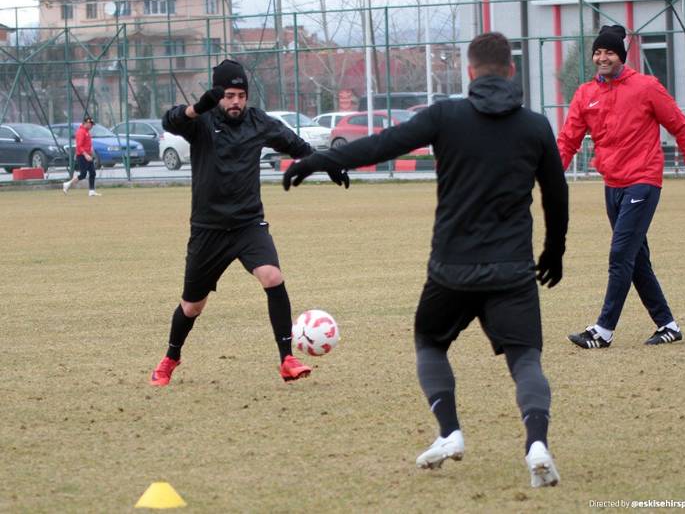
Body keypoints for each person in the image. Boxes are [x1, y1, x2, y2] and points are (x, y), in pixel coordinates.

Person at [283, 32, 569, 488]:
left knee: (430, 344)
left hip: (451, 269)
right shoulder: (534, 126)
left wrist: (319, 159)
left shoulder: (446, 116)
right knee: (525, 359)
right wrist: (555, 249)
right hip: (512, 269)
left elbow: (383, 144)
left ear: (470, 72)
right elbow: (556, 193)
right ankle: (537, 443)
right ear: (511, 72)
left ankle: (450, 432)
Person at [149, 59, 349, 386]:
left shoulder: (258, 122)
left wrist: (328, 163)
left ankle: (287, 359)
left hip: (247, 225)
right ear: (218, 96)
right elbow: (170, 121)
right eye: (229, 95)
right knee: (192, 306)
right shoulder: (200, 122)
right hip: (208, 231)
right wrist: (196, 108)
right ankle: (171, 356)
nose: (236, 101)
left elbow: (297, 146)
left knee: (272, 276)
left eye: (241, 94)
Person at [557, 24, 685, 350]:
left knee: (620, 255)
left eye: (609, 51)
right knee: (636, 259)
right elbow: (568, 140)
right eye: (598, 52)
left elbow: (679, 124)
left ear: (621, 56)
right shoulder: (586, 94)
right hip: (612, 185)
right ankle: (667, 325)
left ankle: (603, 330)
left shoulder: (646, 87)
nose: (602, 57)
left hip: (643, 181)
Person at [63, 116, 100, 196]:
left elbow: (88, 145)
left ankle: (91, 191)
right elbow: (79, 146)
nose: (92, 126)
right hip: (82, 156)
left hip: (88, 155)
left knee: (92, 173)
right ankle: (67, 184)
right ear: (86, 123)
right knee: (83, 174)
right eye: (91, 124)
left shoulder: (87, 132)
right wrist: (86, 155)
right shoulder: (81, 132)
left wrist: (90, 153)